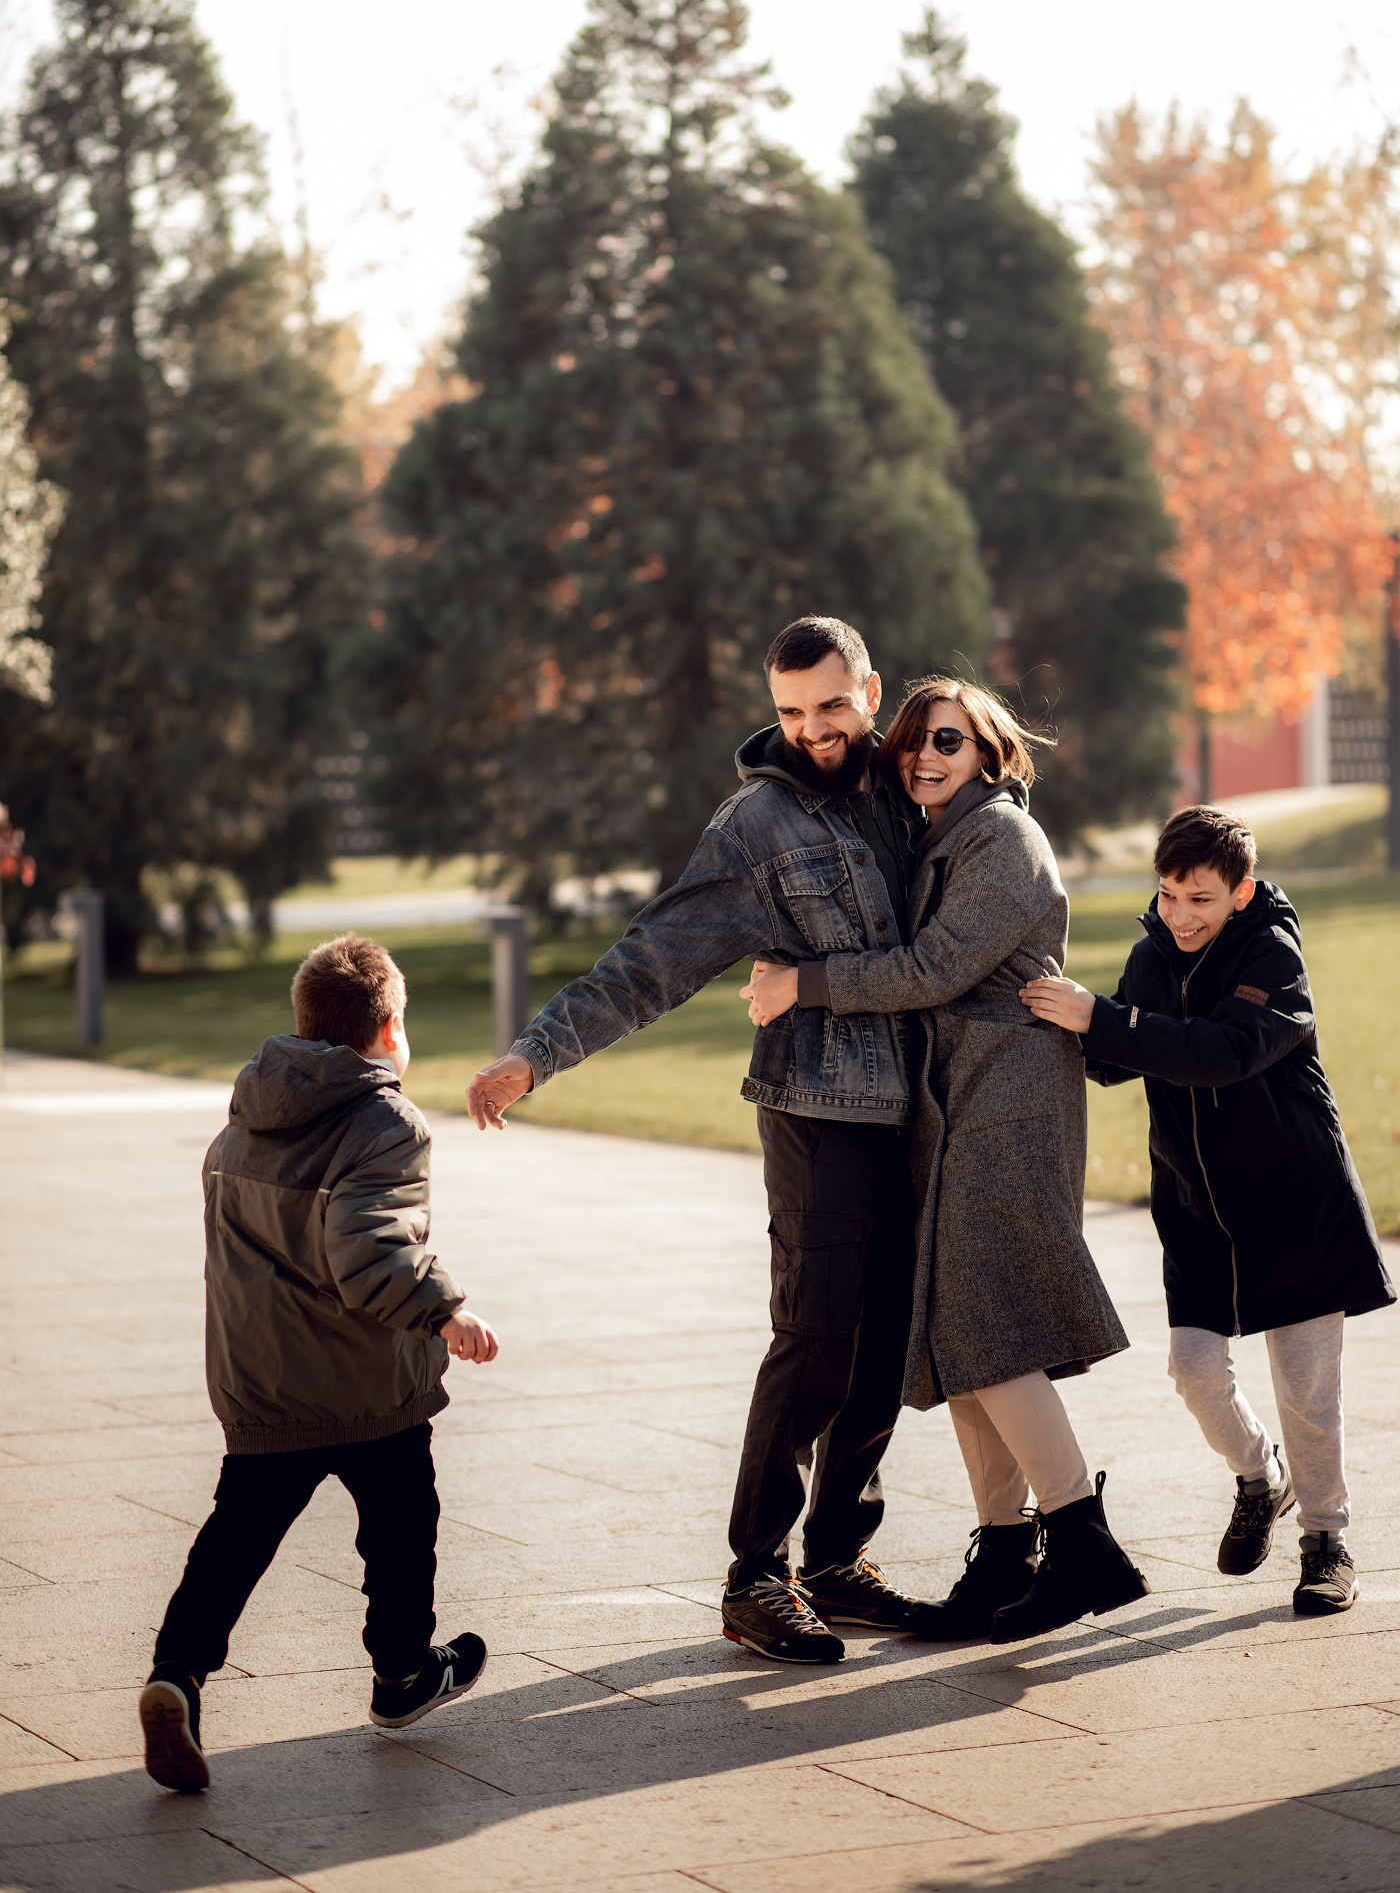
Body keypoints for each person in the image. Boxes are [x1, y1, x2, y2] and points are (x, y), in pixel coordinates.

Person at [468, 615, 945, 1665]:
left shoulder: (914, 787)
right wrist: (533, 1057)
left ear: (868, 691)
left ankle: (836, 1561)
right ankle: (754, 1577)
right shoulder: (753, 829)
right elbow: (648, 961)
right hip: (816, 1109)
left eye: (828, 705)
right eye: (788, 711)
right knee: (813, 1342)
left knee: (879, 1350)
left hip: (914, 1111)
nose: (811, 728)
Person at [743, 675, 1148, 1645]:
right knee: (965, 1335)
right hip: (959, 1102)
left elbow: (930, 971)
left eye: (948, 743)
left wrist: (805, 983)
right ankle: (1005, 1552)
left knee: (988, 1330)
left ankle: (1078, 1540)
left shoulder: (1001, 840)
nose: (923, 756)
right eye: (916, 742)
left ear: (989, 753)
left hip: (1003, 1105)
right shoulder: (942, 837)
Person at [139, 935, 499, 1794]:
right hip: (366, 1384)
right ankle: (404, 1674)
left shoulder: (245, 1116)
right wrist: (446, 1311)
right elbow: (368, 1249)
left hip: (264, 1384)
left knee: (237, 1536)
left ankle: (177, 1674)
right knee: (403, 1527)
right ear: (388, 1029)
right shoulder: (386, 1122)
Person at [1022, 804, 1394, 1617]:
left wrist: (1105, 1020)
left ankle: (1327, 1541)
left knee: (1306, 1393)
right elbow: (1119, 1055)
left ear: (1240, 891)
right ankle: (1262, 1479)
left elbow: (1223, 1054)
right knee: (1194, 1371)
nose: (1180, 915)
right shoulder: (1152, 955)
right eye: (1167, 894)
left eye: (1199, 898)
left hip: (1296, 1205)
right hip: (1196, 1210)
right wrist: (1047, 1020)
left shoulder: (1272, 954)